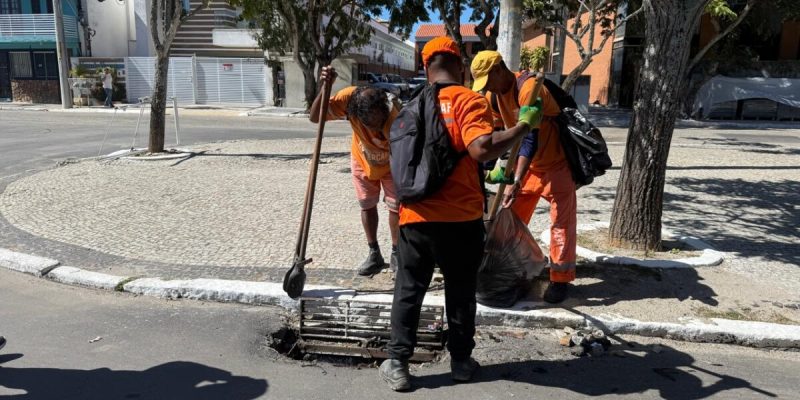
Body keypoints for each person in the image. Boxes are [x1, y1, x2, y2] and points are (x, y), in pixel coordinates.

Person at [378, 37, 543, 391]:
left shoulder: (412, 105)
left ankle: (397, 363)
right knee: (460, 291)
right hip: (461, 221)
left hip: (415, 218)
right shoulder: (469, 100)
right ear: (460, 65)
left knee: (408, 289)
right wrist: (523, 127)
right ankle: (461, 362)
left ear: (426, 68)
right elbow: (481, 148)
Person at [470, 50, 577, 304]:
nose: (488, 88)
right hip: (528, 165)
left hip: (556, 163)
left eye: (488, 81)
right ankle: (516, 268)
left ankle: (560, 279)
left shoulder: (529, 88)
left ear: (498, 69)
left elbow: (529, 137)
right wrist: (490, 168)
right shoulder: (494, 96)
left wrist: (515, 178)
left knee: (561, 224)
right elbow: (494, 134)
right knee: (510, 217)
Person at [309, 67, 401, 275]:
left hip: (391, 162)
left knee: (396, 207)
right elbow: (315, 117)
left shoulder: (395, 115)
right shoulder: (347, 100)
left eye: (380, 125)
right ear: (354, 115)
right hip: (362, 158)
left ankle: (396, 253)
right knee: (367, 205)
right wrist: (325, 88)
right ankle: (374, 253)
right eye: (372, 127)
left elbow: (405, 151)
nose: (377, 131)